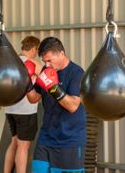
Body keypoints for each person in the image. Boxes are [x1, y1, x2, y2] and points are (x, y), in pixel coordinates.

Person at [26, 37, 87, 172]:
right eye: (44, 61)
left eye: (49, 60)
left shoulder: (76, 73)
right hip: (46, 138)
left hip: (69, 140)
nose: (46, 65)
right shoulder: (45, 71)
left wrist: (53, 88)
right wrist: (26, 82)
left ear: (61, 54)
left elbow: (73, 106)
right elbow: (34, 98)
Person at [3, 35, 42, 173]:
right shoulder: (34, 63)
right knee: (23, 147)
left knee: (14, 143)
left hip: (10, 109)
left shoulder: (11, 62)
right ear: (34, 49)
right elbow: (47, 79)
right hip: (26, 111)